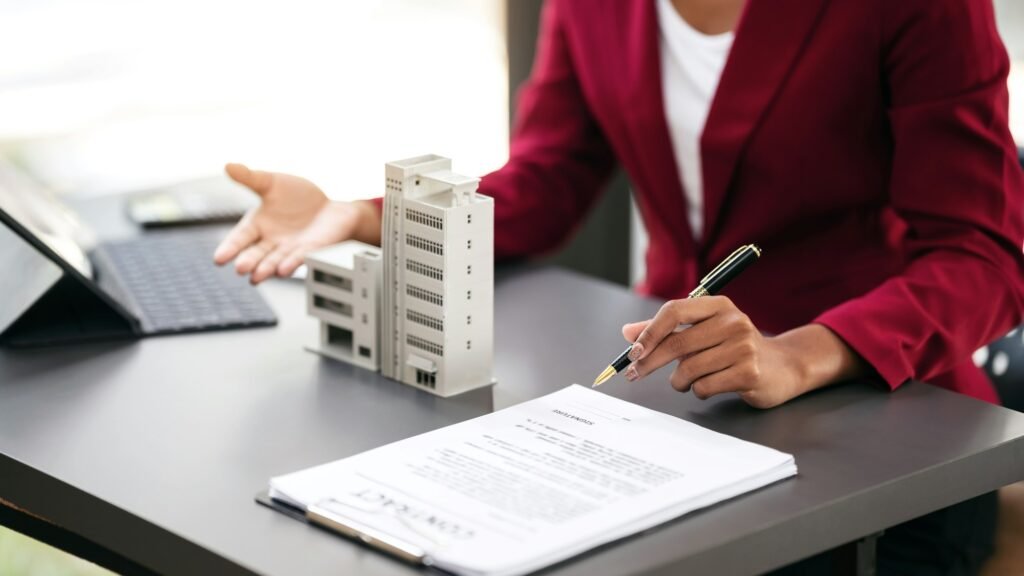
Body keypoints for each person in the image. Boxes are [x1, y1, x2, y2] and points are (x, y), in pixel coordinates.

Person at [213, 0, 1024, 573]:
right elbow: (552, 174)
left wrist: (797, 355)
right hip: (670, 398)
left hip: (878, 434)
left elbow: (984, 253)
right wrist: (358, 216)